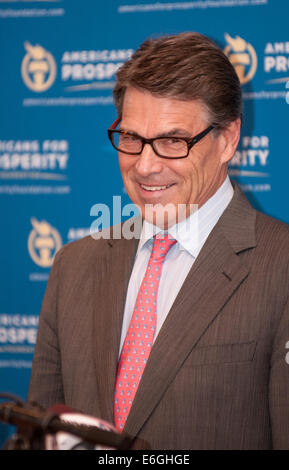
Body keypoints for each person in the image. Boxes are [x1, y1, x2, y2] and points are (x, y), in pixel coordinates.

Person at [28, 32, 289, 449]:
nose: (145, 166)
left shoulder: (281, 267)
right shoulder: (73, 265)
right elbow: (39, 435)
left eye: (172, 141)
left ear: (228, 140)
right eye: (131, 138)